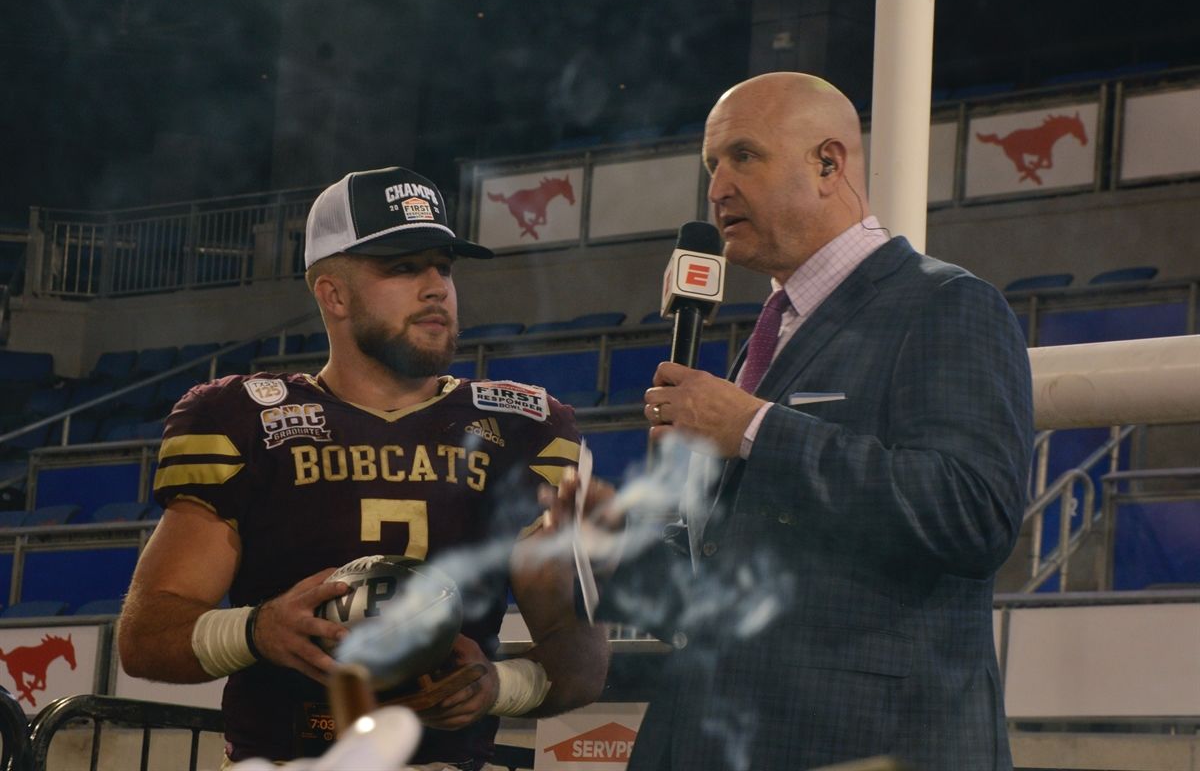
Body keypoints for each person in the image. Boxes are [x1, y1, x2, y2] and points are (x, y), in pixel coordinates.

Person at [552, 72, 1033, 770]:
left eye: (743, 156)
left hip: (867, 744)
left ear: (828, 164)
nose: (717, 187)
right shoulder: (772, 339)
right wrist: (615, 549)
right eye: (711, 165)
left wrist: (754, 428)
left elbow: (973, 514)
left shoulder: (948, 305)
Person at [118, 166, 610, 770]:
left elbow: (580, 657)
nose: (436, 287)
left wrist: (496, 686)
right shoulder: (241, 418)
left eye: (444, 266)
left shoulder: (524, 426)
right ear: (334, 294)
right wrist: (258, 631)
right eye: (403, 266)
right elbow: (145, 638)